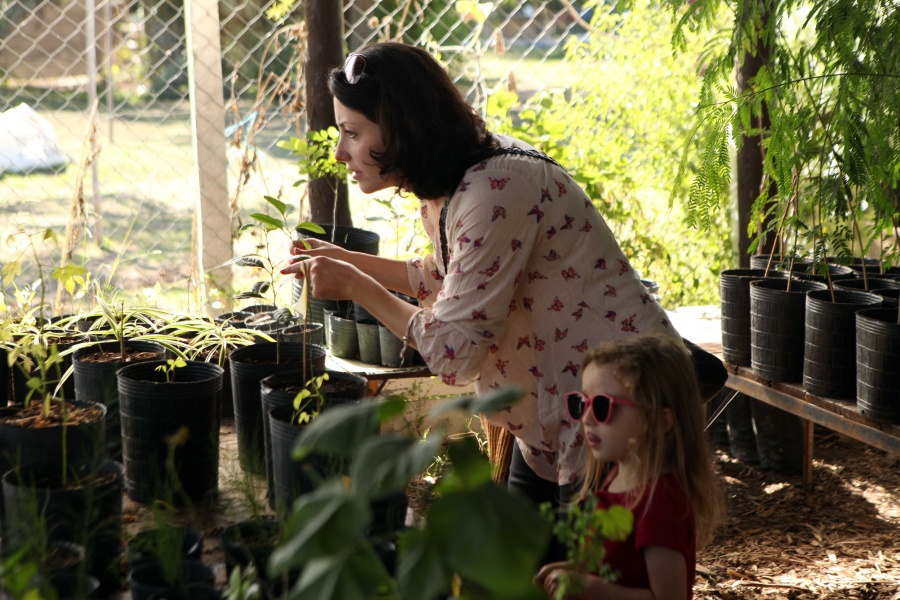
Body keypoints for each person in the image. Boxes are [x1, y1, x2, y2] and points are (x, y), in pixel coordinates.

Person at [281, 42, 686, 510]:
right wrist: (349, 261)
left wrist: (356, 286)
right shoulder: (458, 176)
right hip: (556, 414)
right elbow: (451, 277)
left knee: (598, 559)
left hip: (616, 410)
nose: (339, 153)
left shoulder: (494, 189)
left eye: (352, 133)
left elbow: (454, 351)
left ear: (401, 127)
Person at [534, 333, 723, 600]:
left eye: (602, 406)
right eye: (582, 403)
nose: (587, 418)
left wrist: (594, 590)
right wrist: (574, 569)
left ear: (658, 421)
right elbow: (621, 565)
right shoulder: (620, 474)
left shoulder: (659, 502)